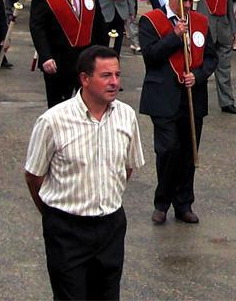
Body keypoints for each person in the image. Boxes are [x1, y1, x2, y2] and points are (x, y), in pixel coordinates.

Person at [24, 46, 144, 301]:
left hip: (110, 226)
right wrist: (54, 216)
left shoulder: (127, 116)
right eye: (106, 76)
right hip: (67, 230)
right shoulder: (53, 121)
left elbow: (128, 167)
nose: (114, 82)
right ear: (84, 79)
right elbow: (34, 176)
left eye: (118, 75)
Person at [139, 0, 217, 225]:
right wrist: (174, 36)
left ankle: (184, 203)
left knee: (188, 151)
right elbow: (151, 56)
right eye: (182, 0)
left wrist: (199, 75)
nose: (187, 5)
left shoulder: (201, 23)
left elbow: (212, 58)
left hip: (192, 95)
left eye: (190, 1)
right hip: (163, 97)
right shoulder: (150, 21)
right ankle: (161, 202)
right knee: (168, 149)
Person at [29, 0, 99, 107]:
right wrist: (45, 56)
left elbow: (98, 23)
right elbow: (37, 26)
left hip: (85, 58)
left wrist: (99, 54)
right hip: (57, 60)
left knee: (88, 105)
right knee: (58, 107)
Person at [192, 0, 236, 114]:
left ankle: (227, 101)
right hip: (204, 31)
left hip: (223, 29)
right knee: (201, 67)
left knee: (225, 67)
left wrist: (234, 30)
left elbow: (229, 8)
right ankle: (197, 101)